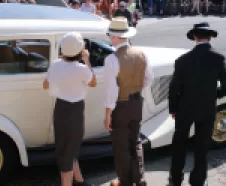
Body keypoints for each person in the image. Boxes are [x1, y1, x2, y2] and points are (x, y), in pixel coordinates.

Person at [169, 22, 226, 186]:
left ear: (195, 38)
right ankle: (198, 180)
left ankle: (175, 179)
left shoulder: (182, 60)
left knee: (179, 144)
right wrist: (213, 95)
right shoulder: (218, 58)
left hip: (184, 107)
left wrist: (173, 108)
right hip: (207, 108)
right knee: (201, 147)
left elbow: (174, 88)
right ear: (210, 37)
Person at [103, 17, 154, 186]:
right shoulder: (141, 54)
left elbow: (111, 91)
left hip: (121, 105)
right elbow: (148, 79)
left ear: (115, 37)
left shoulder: (111, 59)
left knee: (121, 145)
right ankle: (139, 179)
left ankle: (125, 181)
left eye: (111, 35)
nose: (110, 38)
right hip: (137, 101)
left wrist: (107, 114)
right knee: (136, 141)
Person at [43, 32, 97, 186]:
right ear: (80, 50)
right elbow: (93, 82)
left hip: (60, 108)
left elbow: (46, 85)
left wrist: (57, 90)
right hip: (75, 111)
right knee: (70, 150)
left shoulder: (55, 64)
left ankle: (79, 180)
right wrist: (87, 61)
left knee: (65, 147)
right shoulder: (81, 69)